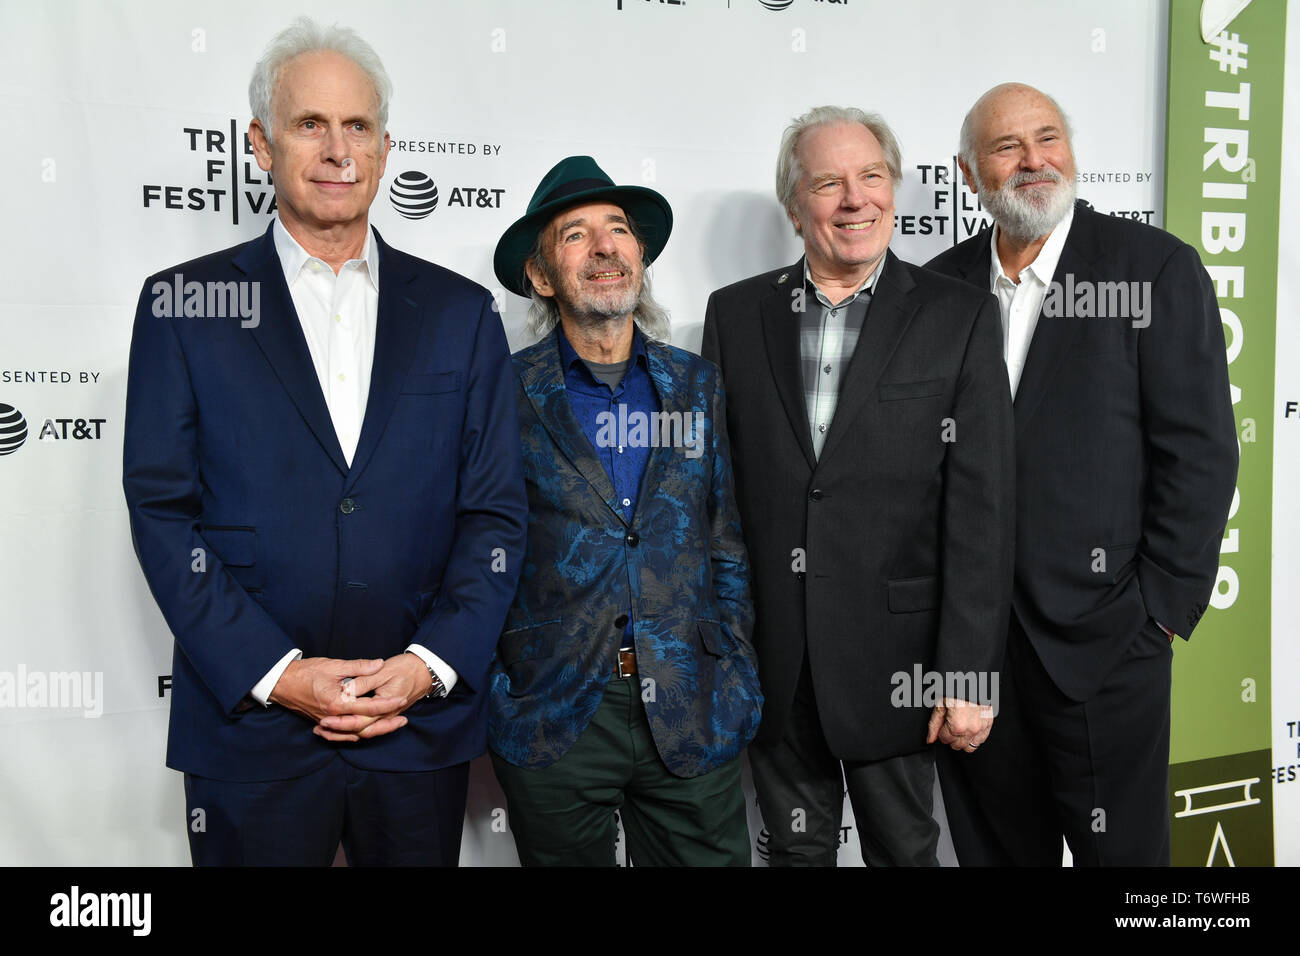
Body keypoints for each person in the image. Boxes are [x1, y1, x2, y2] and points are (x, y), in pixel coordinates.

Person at [122, 17, 526, 866]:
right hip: (250, 729)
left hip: (413, 726)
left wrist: (427, 665)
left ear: (385, 149)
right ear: (261, 145)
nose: (338, 150)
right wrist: (277, 673)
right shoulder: (182, 306)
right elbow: (162, 513)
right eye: (311, 124)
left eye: (358, 126)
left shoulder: (461, 314)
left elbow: (494, 515)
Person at [926, 82, 1238, 866]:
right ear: (968, 173)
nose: (1033, 160)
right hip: (972, 657)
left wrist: (1155, 612)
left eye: (1048, 138)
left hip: (1108, 647)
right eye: (1007, 146)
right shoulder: (938, 287)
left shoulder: (1152, 268)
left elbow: (1200, 452)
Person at [701, 107, 1014, 866]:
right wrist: (720, 650)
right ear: (794, 206)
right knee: (794, 857)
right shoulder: (736, 314)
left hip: (903, 667)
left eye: (872, 176)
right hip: (776, 663)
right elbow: (715, 499)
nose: (855, 199)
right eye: (828, 183)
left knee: (905, 854)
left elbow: (983, 511)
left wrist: (969, 673)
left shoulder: (959, 315)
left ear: (894, 188)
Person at [488, 156, 763, 866]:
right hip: (556, 712)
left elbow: (725, 541)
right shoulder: (499, 393)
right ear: (541, 276)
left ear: (639, 256)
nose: (605, 247)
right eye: (576, 235)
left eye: (617, 230)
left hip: (690, 703)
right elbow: (474, 549)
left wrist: (733, 670)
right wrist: (502, 687)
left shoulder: (696, 384)